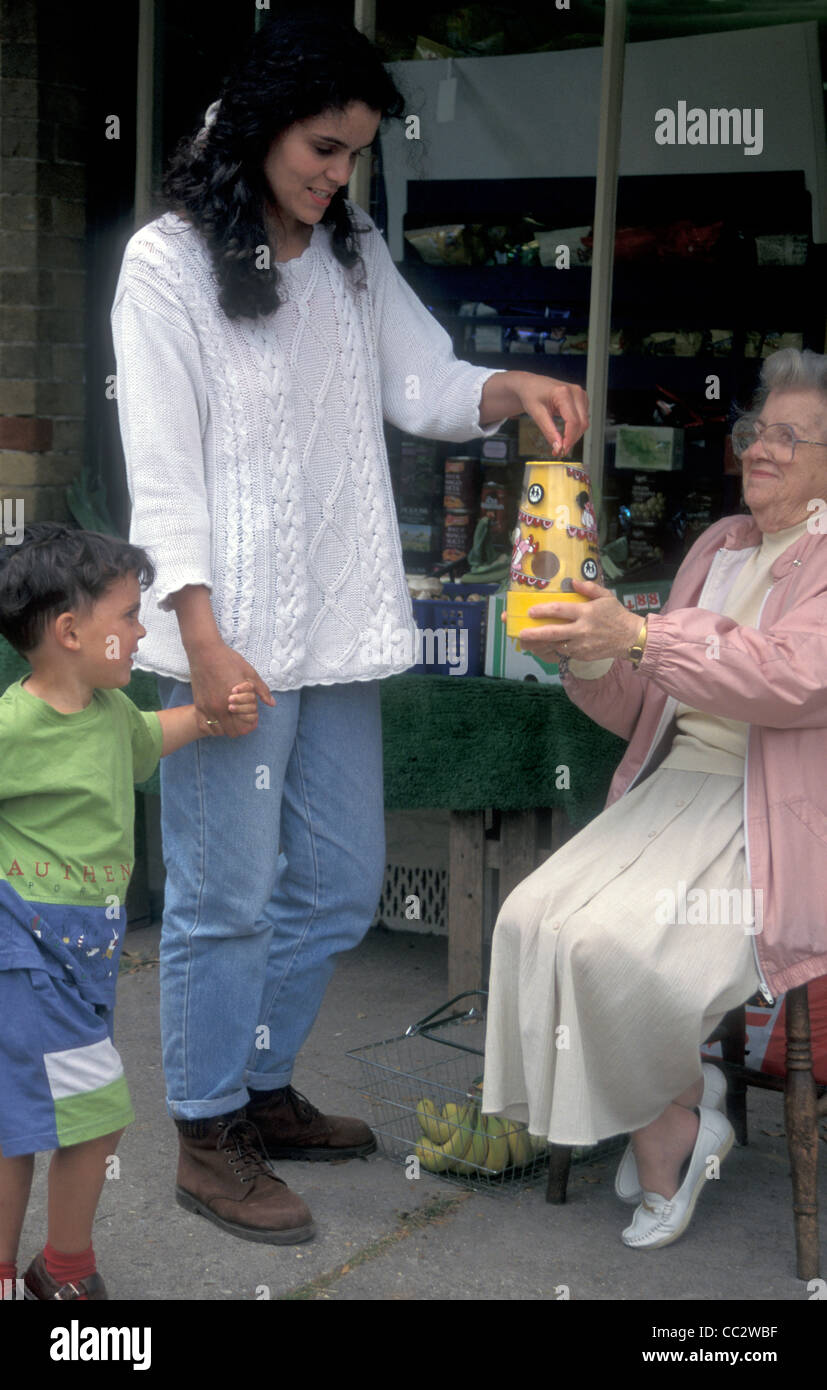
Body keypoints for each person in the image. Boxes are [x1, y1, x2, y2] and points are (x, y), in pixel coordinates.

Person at [111, 10, 588, 1245]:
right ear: (262, 126)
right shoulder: (166, 267)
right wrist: (203, 642)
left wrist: (504, 387)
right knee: (222, 901)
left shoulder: (350, 257)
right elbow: (162, 478)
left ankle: (258, 1081)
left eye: (353, 156)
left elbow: (421, 382)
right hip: (226, 641)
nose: (335, 176)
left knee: (334, 884)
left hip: (336, 628)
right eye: (322, 149)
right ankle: (207, 1133)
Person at [482, 346, 827, 1249]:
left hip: (766, 820)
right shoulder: (717, 546)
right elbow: (648, 700)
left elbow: (791, 679)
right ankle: (685, 1095)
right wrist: (589, 651)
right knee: (526, 919)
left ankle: (672, 1122)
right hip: (667, 789)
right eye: (758, 430)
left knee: (605, 946)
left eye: (792, 438)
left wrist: (636, 631)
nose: (762, 448)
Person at [0, 524, 260, 1300]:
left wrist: (211, 719)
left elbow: (150, 737)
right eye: (129, 616)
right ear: (70, 632)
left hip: (86, 954)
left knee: (31, 1119)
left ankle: (27, 1273)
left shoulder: (111, 714)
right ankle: (61, 1268)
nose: (143, 631)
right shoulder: (15, 726)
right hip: (27, 950)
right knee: (91, 1113)